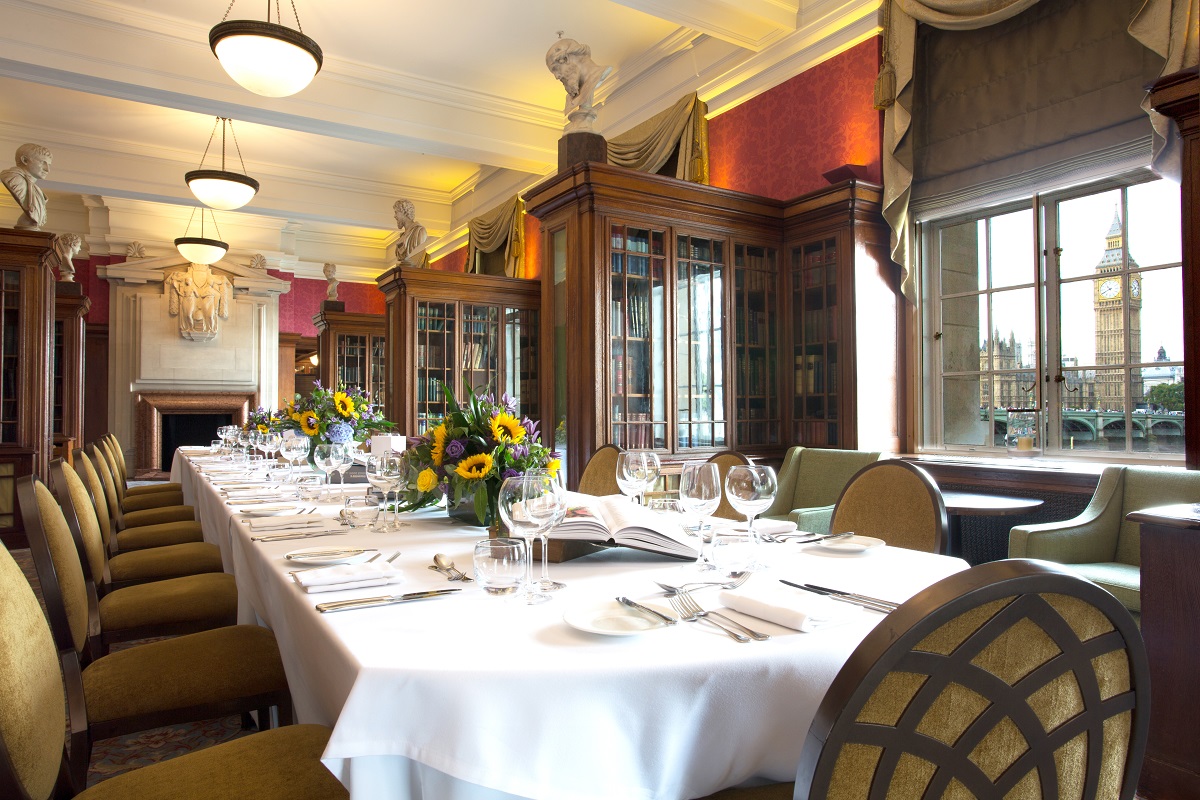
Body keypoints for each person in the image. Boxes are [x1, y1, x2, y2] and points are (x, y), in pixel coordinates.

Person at [545, 38, 612, 119]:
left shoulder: (599, 75)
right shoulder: (570, 98)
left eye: (555, 69)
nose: (557, 76)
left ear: (566, 59)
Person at [1, 143, 52, 231]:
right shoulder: (13, 178)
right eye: (42, 162)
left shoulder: (37, 190)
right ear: (25, 160)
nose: (47, 169)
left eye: (49, 164)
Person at [393, 199, 428, 265]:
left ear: (404, 212)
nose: (394, 216)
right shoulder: (402, 237)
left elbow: (418, 260)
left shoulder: (419, 232)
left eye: (396, 212)